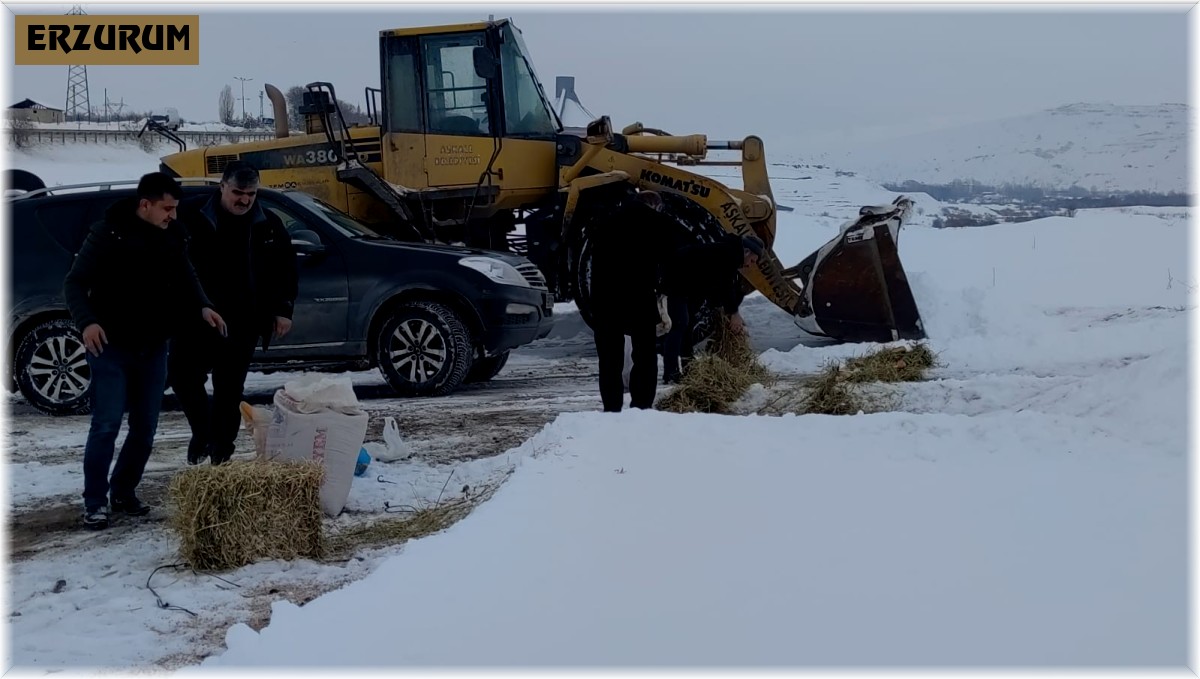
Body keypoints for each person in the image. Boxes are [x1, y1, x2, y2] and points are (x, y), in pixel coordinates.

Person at [63, 173, 227, 530]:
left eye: (176, 208)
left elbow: (187, 275)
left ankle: (123, 491)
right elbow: (74, 282)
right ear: (145, 205)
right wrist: (87, 321)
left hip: (153, 345)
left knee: (145, 427)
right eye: (167, 208)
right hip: (109, 344)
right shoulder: (108, 234)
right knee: (106, 425)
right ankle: (94, 501)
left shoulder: (174, 236)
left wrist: (202, 304)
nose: (173, 215)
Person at [170, 161, 298, 466]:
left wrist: (283, 310)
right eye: (238, 192)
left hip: (244, 319)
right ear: (222, 186)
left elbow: (287, 271)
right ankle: (202, 432)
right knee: (183, 377)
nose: (244, 200)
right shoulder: (190, 215)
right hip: (196, 316)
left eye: (251, 194)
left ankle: (221, 451)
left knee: (229, 389)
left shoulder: (268, 223)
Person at [588, 190, 671, 412]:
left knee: (609, 359)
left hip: (605, 299)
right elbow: (668, 260)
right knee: (644, 355)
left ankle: (612, 407)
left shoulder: (606, 220)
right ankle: (641, 405)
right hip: (639, 297)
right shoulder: (657, 223)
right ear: (655, 206)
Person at [660, 232, 764, 384]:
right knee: (679, 325)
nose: (750, 265)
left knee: (687, 325)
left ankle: (688, 366)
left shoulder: (727, 253)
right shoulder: (728, 255)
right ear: (746, 252)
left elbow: (719, 288)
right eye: (752, 260)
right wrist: (733, 313)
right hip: (676, 283)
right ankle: (670, 374)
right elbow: (725, 287)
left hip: (690, 289)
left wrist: (726, 307)